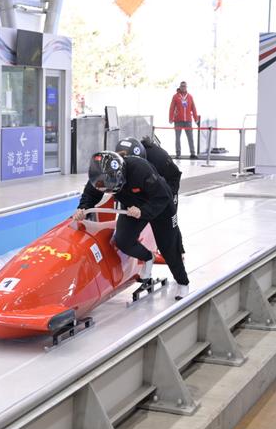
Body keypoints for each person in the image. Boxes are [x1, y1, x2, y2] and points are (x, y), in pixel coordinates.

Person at [73, 151, 189, 293]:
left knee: (168, 247)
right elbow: (91, 194)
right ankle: (148, 257)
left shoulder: (141, 169)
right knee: (122, 240)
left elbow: (162, 196)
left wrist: (143, 212)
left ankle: (183, 282)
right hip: (131, 208)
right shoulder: (98, 176)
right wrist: (83, 208)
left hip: (161, 206)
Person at [116, 136, 185, 255]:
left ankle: (177, 250)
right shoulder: (118, 163)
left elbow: (174, 176)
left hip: (163, 188)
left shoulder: (159, 158)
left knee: (169, 221)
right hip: (137, 190)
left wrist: (168, 198)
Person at [169, 81, 199, 159]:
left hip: (188, 121)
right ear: (180, 87)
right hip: (178, 121)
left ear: (186, 87)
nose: (183, 87)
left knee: (190, 138)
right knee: (177, 138)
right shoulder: (175, 96)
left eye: (185, 86)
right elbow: (172, 108)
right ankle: (178, 154)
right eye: (182, 86)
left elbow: (193, 108)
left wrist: (196, 119)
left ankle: (193, 153)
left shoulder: (190, 97)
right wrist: (171, 118)